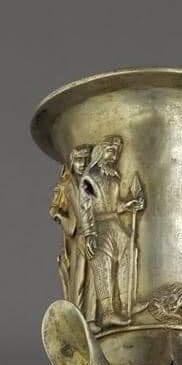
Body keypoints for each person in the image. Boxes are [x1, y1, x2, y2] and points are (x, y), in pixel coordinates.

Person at [78, 135, 147, 329]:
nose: (114, 155)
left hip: (115, 222)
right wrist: (90, 233)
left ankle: (127, 302)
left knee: (130, 251)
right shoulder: (89, 177)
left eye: (117, 152)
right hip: (100, 225)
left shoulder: (113, 176)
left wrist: (127, 205)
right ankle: (108, 312)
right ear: (100, 151)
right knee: (104, 264)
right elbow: (85, 207)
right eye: (110, 150)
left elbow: (112, 204)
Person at [49, 145, 97, 326]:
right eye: (78, 160)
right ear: (71, 162)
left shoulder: (91, 183)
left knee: (94, 277)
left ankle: (91, 319)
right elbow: (54, 208)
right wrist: (62, 217)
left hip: (94, 234)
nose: (82, 164)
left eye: (85, 160)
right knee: (79, 277)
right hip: (78, 235)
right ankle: (78, 318)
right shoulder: (66, 185)